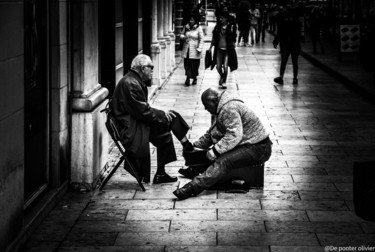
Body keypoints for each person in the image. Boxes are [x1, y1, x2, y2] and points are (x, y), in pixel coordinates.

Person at [173, 88, 273, 200]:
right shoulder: (219, 110)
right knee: (211, 153)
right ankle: (195, 170)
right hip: (247, 144)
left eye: (206, 105)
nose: (205, 108)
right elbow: (212, 134)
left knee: (223, 161)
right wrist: (195, 147)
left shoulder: (229, 109)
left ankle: (191, 188)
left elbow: (234, 135)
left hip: (259, 147)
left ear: (213, 101)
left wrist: (215, 151)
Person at [109, 54, 194, 184]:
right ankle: (186, 147)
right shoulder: (131, 83)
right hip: (132, 128)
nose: (152, 70)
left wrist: (162, 113)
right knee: (168, 123)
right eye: (151, 67)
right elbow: (143, 112)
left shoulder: (133, 80)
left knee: (170, 121)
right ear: (142, 68)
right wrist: (161, 114)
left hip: (135, 122)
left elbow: (141, 109)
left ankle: (182, 150)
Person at [209, 11, 238, 90]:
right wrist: (210, 47)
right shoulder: (218, 27)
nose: (220, 19)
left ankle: (224, 81)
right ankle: (222, 76)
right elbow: (214, 37)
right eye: (220, 18)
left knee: (225, 67)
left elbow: (234, 36)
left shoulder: (231, 27)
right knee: (218, 67)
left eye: (222, 18)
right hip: (218, 50)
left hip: (227, 50)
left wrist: (234, 42)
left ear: (226, 19)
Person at [273, 7, 302, 85]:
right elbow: (299, 33)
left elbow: (280, 31)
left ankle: (281, 77)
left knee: (284, 61)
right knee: (294, 61)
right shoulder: (297, 21)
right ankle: (295, 78)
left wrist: (276, 41)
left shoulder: (283, 20)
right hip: (294, 43)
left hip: (286, 43)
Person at [180, 14, 204, 86]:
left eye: (192, 20)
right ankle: (187, 78)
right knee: (187, 64)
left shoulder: (199, 28)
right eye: (190, 20)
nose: (191, 21)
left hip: (195, 49)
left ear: (195, 21)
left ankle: (194, 78)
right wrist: (183, 37)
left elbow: (201, 39)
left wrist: (199, 48)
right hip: (187, 48)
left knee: (194, 65)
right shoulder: (186, 27)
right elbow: (181, 35)